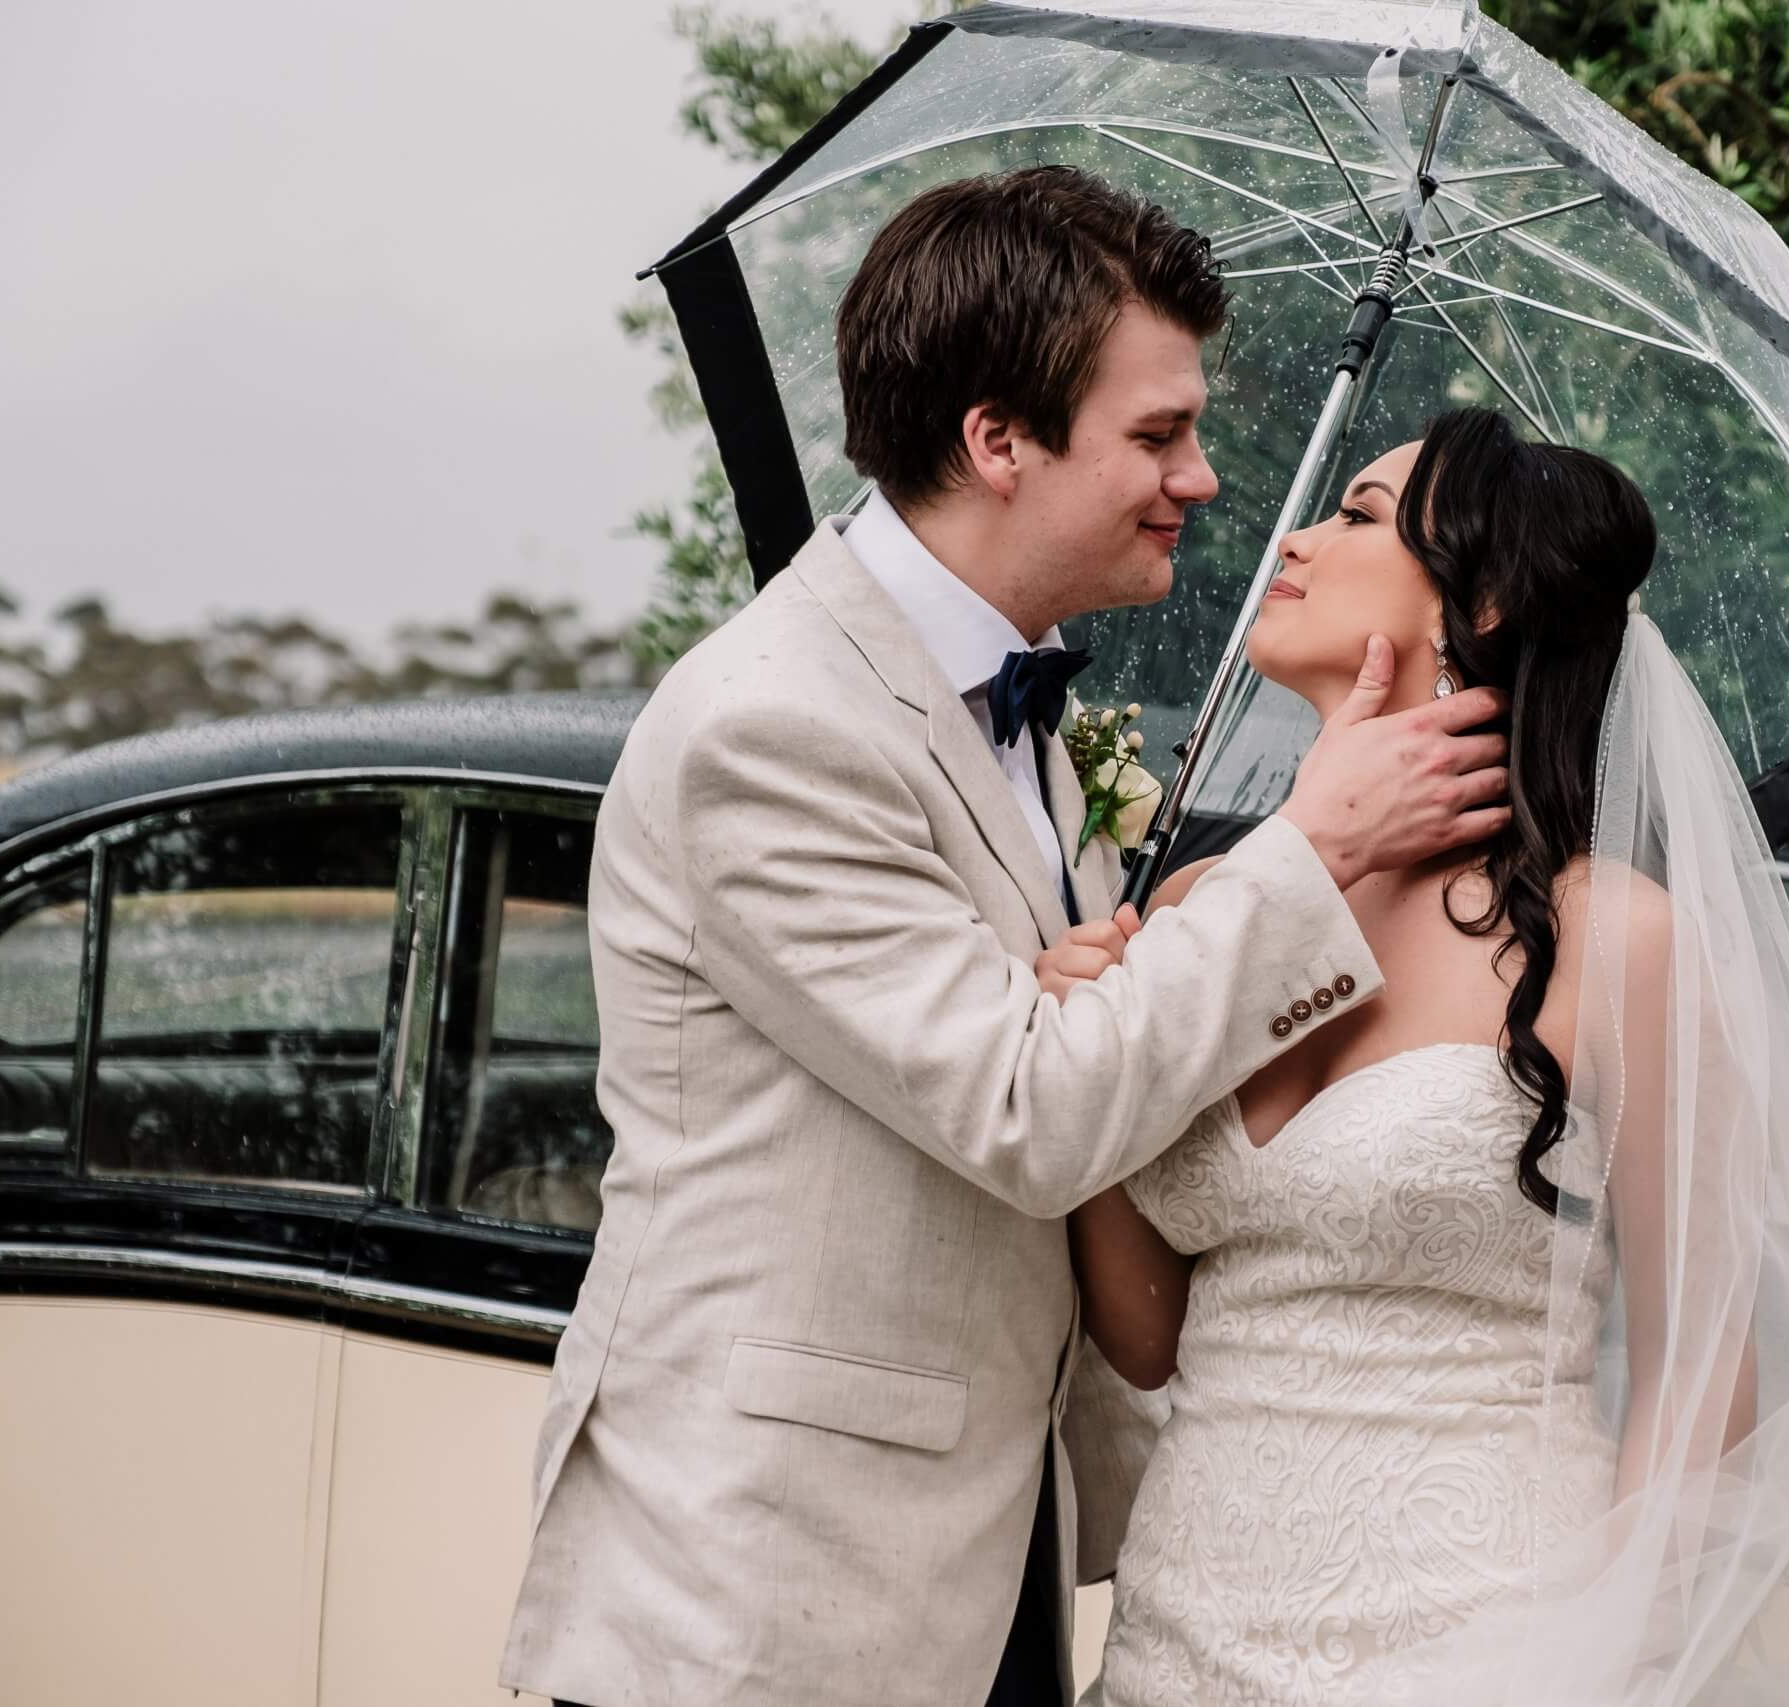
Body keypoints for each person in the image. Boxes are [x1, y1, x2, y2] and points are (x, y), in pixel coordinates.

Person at [497, 167, 1513, 1707]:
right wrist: (1314, 851)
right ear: (997, 440)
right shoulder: (769, 724)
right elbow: (1033, 1108)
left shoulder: (1035, 723)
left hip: (998, 1571)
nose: (1206, 478)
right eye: (1158, 434)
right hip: (762, 1616)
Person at [1062, 409, 1789, 1707]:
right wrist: (1101, 1044)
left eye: (1356, 517)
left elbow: (1699, 1363)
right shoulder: (1202, 911)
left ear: (1488, 594)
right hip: (1178, 1638)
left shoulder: (1616, 941)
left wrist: (1613, 1657)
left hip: (1482, 1640)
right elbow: (1146, 1338)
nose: (1290, 540)